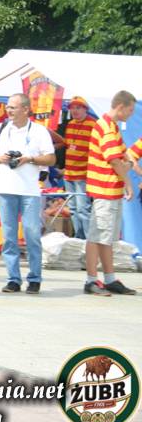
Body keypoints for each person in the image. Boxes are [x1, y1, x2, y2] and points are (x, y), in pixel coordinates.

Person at [0, 93, 55, 294]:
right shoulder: (1, 128)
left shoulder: (39, 131)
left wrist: (29, 159)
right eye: (8, 107)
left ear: (25, 109)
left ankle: (35, 278)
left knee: (32, 234)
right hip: (5, 189)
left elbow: (51, 159)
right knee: (9, 237)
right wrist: (0, 158)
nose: (9, 111)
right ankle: (13, 278)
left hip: (29, 190)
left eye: (13, 107)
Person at [83, 91, 137, 296]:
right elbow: (115, 161)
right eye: (130, 110)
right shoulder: (106, 127)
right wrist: (129, 183)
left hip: (110, 189)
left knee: (106, 237)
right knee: (97, 236)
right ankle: (91, 280)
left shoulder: (111, 126)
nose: (131, 114)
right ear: (120, 107)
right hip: (104, 189)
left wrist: (129, 164)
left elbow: (124, 156)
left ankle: (109, 278)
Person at [62, 96, 97, 239]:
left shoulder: (93, 125)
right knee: (73, 209)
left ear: (85, 109)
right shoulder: (70, 124)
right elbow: (68, 146)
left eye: (78, 107)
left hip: (83, 174)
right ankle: (79, 238)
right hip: (69, 173)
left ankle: (89, 241)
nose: (74, 110)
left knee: (83, 209)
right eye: (72, 108)